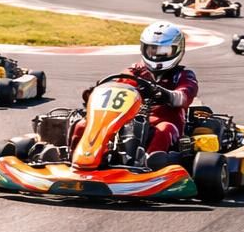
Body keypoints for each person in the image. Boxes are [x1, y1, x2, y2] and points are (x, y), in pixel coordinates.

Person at [71, 21, 198, 167]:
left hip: (164, 120)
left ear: (177, 50)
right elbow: (119, 86)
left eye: (163, 51)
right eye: (152, 50)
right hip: (127, 118)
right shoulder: (135, 71)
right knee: (82, 124)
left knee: (164, 130)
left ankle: (150, 165)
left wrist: (164, 94)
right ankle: (78, 160)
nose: (156, 55)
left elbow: (184, 96)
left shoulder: (183, 74)